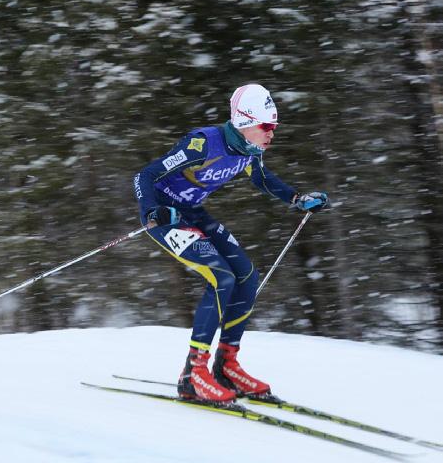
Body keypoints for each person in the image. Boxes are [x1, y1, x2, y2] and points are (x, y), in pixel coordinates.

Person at [133, 84, 328, 403]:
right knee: (220, 277)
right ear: (244, 122)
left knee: (246, 276)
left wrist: (297, 198)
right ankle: (193, 376)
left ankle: (226, 365)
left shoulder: (250, 150)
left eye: (273, 127)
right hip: (166, 217)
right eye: (267, 126)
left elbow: (261, 179)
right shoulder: (203, 143)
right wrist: (152, 211)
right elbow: (145, 176)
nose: (271, 133)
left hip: (193, 212)